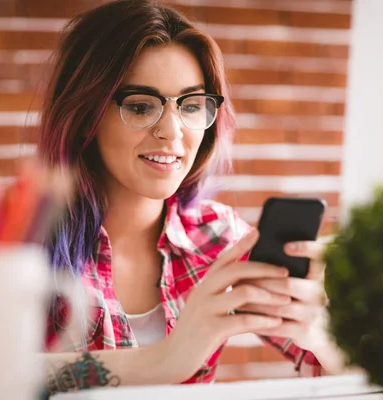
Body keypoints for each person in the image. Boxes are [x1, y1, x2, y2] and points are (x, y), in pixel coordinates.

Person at [37, 0, 342, 395]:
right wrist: (167, 359)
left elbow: (347, 372)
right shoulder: (18, 241)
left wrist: (320, 334)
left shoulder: (217, 238)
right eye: (141, 106)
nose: (173, 131)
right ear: (84, 119)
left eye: (191, 105)